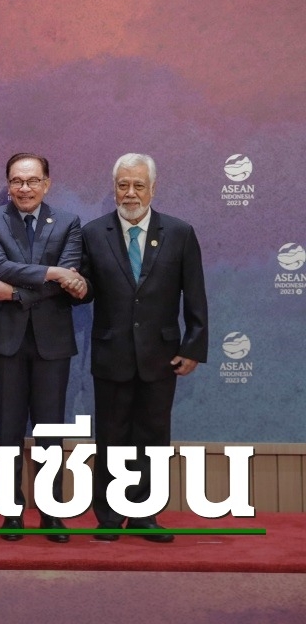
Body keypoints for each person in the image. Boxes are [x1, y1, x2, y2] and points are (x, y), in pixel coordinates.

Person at [81, 153, 207, 544]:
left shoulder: (180, 232)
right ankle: (108, 515)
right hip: (111, 353)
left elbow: (195, 295)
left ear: (153, 188)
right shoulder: (93, 233)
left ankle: (143, 514)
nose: (130, 193)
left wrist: (193, 345)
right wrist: (72, 285)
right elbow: (83, 290)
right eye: (123, 185)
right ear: (114, 188)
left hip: (161, 354)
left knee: (152, 437)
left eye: (138, 185)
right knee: (110, 436)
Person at [0, 153, 86, 543]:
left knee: (50, 431)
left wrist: (14, 294)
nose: (25, 188)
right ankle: (12, 513)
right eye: (17, 181)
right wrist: (52, 272)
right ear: (8, 184)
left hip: (52, 341)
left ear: (47, 183)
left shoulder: (69, 223)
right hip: (6, 340)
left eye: (33, 181)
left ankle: (52, 512)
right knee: (8, 429)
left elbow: (68, 281)